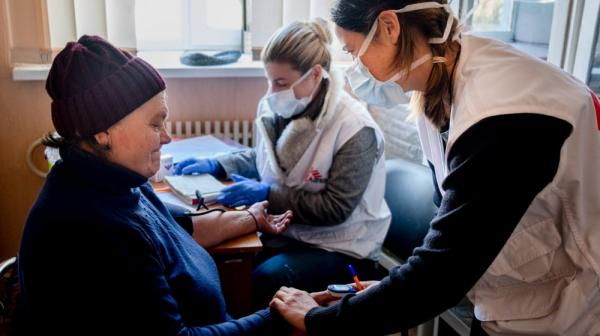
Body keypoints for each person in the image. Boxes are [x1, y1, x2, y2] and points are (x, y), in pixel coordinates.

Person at [269, 1, 600, 335]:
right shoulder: (438, 89)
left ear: (389, 27)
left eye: (354, 50)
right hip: (512, 296)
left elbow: (443, 272)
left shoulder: (503, 113)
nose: (356, 66)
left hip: (569, 310)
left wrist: (317, 321)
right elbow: (454, 230)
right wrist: (383, 293)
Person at [17, 35, 294, 335]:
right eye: (155, 123)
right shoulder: (91, 228)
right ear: (101, 132)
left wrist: (251, 218)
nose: (166, 137)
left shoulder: (115, 180)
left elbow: (177, 231)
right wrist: (278, 318)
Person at [174, 19, 391, 308]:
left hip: (342, 248)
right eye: (269, 80)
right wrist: (219, 165)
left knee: (265, 278)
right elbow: (266, 157)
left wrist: (268, 195)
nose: (271, 92)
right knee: (217, 264)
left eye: (281, 82)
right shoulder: (279, 106)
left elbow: (335, 208)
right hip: (286, 233)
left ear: (315, 75)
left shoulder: (354, 128)